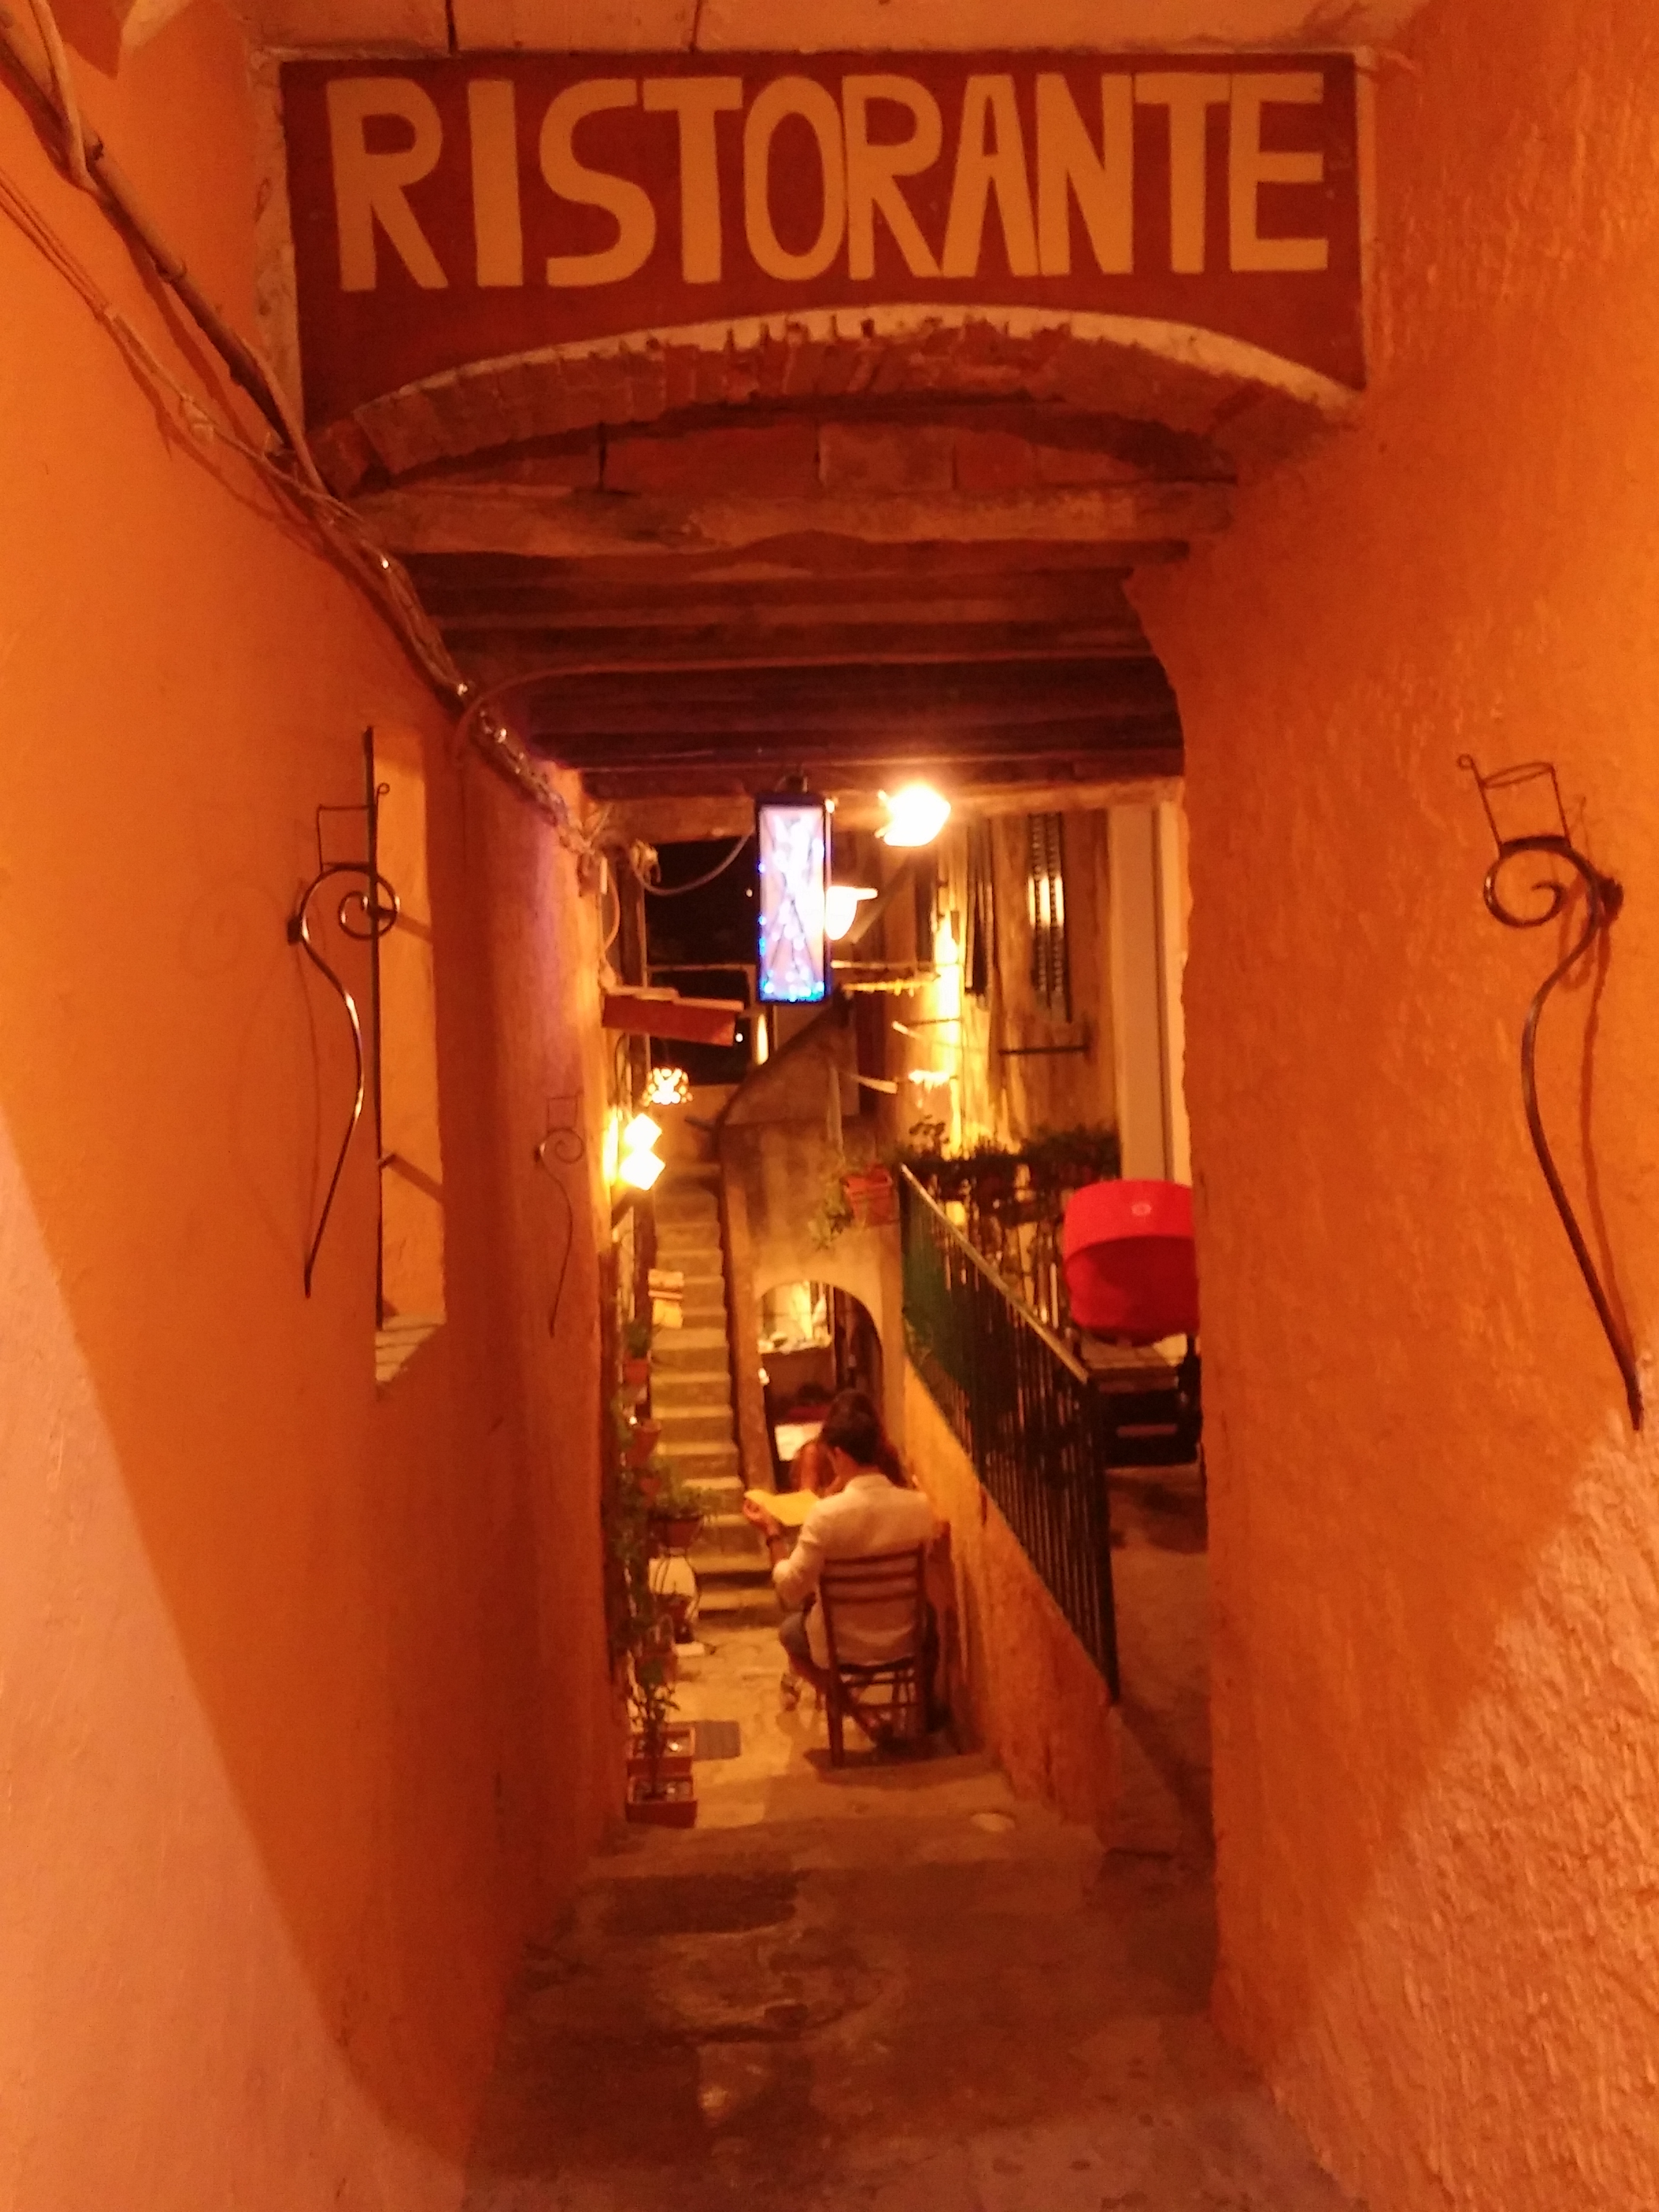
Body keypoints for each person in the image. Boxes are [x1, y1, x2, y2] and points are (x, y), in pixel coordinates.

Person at [742, 1389, 936, 1723]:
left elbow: (790, 1590)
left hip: (842, 1645)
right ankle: (920, 1714)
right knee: (931, 1618)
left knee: (790, 1634)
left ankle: (857, 1713)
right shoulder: (919, 1508)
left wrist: (772, 1534)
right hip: (906, 1639)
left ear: (840, 1455)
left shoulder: (826, 1517)